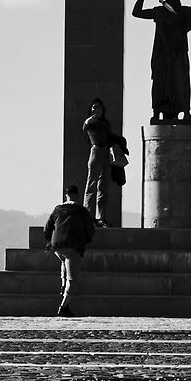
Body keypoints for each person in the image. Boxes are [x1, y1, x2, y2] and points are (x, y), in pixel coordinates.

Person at [45, 184, 95, 315]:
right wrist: (87, 240)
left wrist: (50, 241)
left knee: (63, 260)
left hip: (57, 246)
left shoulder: (57, 209)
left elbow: (47, 229)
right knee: (72, 279)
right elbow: (90, 229)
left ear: (66, 195)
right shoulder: (82, 211)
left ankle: (62, 284)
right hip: (73, 246)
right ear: (77, 195)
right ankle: (64, 306)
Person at [81, 97, 120, 227]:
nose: (96, 109)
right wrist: (88, 121)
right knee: (91, 184)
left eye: (98, 107)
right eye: (94, 107)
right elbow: (85, 129)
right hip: (96, 150)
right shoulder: (90, 122)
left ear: (103, 110)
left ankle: (101, 217)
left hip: (106, 152)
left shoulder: (105, 123)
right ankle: (88, 215)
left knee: (103, 187)